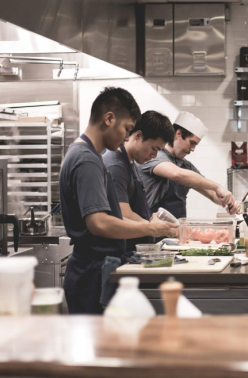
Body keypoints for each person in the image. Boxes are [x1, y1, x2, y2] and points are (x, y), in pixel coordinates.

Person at [60, 87, 177, 314]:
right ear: (109, 119)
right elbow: (100, 223)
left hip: (93, 269)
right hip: (90, 274)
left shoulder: (87, 156)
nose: (127, 137)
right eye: (127, 129)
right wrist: (148, 227)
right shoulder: (87, 161)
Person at [139, 111, 240, 218]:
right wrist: (218, 187)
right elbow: (177, 174)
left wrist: (230, 202)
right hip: (153, 227)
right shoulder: (154, 156)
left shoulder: (186, 166)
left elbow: (211, 193)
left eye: (195, 145)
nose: (193, 149)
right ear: (178, 134)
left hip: (177, 230)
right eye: (192, 143)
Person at [103, 110, 174, 251]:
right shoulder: (115, 165)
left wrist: (151, 221)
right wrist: (154, 227)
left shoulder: (131, 163)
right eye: (154, 149)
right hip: (118, 253)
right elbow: (122, 214)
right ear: (138, 135)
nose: (154, 156)